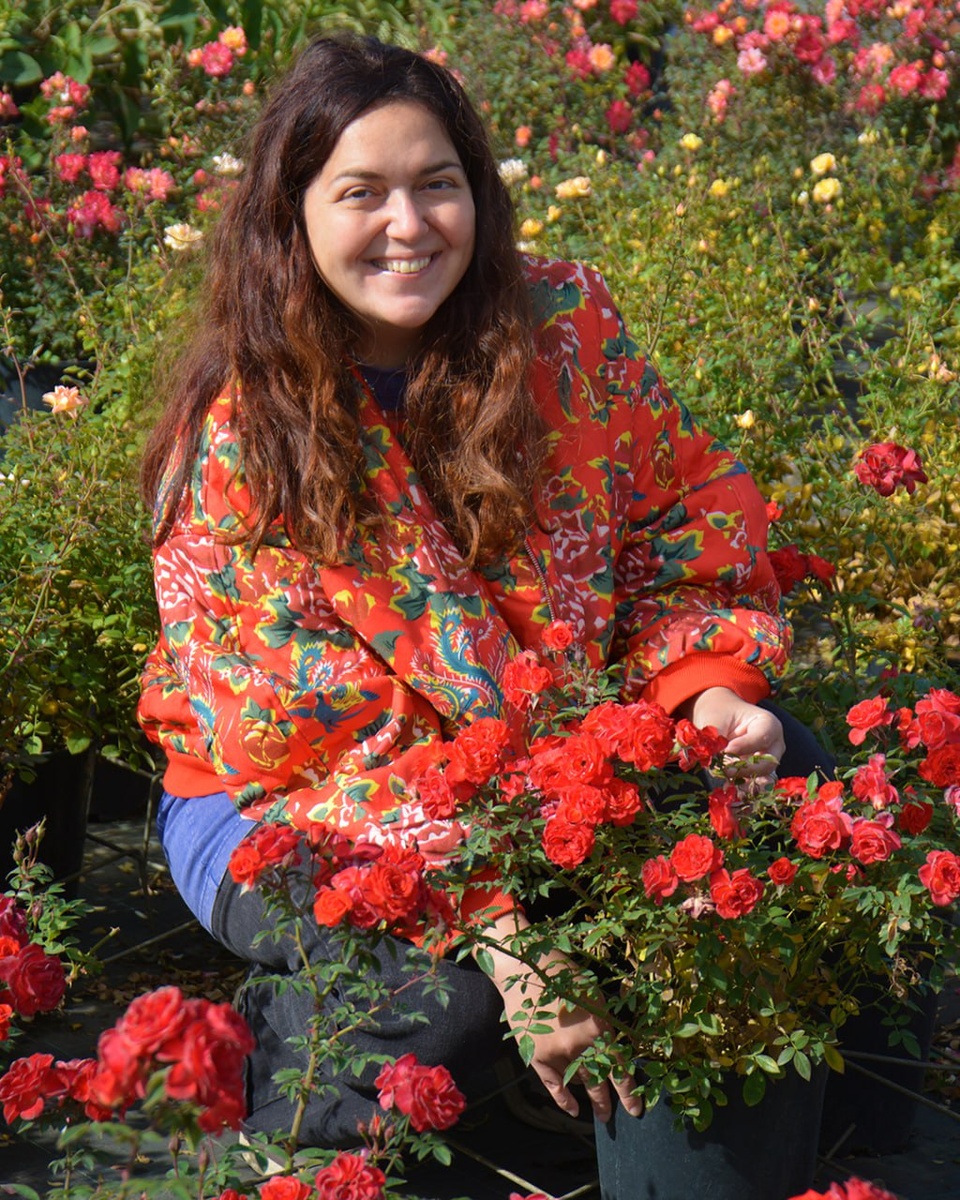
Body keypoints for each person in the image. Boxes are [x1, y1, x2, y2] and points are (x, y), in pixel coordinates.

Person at [138, 33, 831, 1195]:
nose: (408, 225)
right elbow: (314, 746)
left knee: (781, 784)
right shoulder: (242, 441)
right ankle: (297, 1100)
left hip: (533, 760)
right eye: (361, 192)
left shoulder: (562, 325)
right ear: (289, 216)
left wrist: (704, 688)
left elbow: (681, 516)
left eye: (438, 184)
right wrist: (508, 934)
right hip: (286, 799)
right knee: (441, 999)